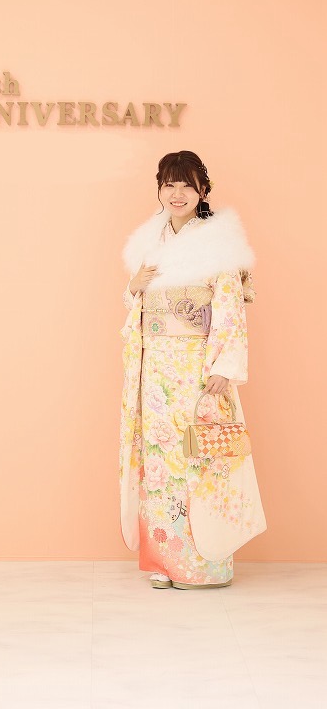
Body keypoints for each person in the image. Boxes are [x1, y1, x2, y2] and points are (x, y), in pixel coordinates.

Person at [118, 151, 267, 589]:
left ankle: (204, 566)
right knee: (160, 460)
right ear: (159, 190)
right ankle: (165, 561)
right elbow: (139, 306)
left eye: (186, 184)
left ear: (203, 189)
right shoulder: (150, 240)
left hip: (198, 368)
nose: (177, 193)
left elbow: (229, 307)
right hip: (155, 369)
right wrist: (133, 287)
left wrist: (224, 365)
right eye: (169, 184)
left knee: (199, 458)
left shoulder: (219, 243)